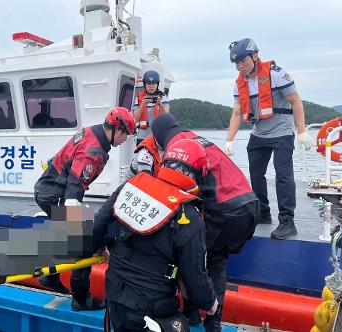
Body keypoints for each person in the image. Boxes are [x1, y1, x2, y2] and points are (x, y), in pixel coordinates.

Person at [93, 139, 218, 332]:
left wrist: (100, 248)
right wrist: (209, 303)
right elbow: (195, 275)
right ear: (197, 174)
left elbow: (99, 221)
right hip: (150, 305)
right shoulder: (188, 215)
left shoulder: (132, 186)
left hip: (114, 291)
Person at [152, 113, 259, 331]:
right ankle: (212, 322)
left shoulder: (177, 149)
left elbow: (175, 193)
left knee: (188, 257)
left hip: (224, 210)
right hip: (249, 205)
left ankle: (192, 314)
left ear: (159, 138)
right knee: (216, 260)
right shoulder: (197, 138)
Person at [34, 106, 136, 311]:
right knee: (83, 242)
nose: (126, 139)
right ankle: (81, 298)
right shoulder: (93, 151)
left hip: (48, 188)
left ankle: (50, 277)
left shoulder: (92, 132)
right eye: (125, 133)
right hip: (55, 193)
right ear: (116, 129)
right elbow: (73, 189)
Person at [224, 38, 313, 240]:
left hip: (282, 132)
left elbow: (295, 101)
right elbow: (237, 112)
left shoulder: (276, 75)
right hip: (259, 134)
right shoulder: (240, 83)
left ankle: (287, 221)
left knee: (283, 176)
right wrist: (229, 139)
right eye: (236, 64)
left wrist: (301, 131)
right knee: (255, 175)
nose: (240, 67)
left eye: (243, 62)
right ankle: (262, 213)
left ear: (255, 56)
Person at [133, 70, 170, 146]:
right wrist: (143, 105)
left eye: (153, 83)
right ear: (144, 84)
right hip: (142, 137)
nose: (151, 86)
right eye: (148, 84)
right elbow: (135, 119)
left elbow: (166, 118)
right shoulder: (138, 98)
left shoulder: (163, 97)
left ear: (157, 84)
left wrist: (161, 105)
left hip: (158, 137)